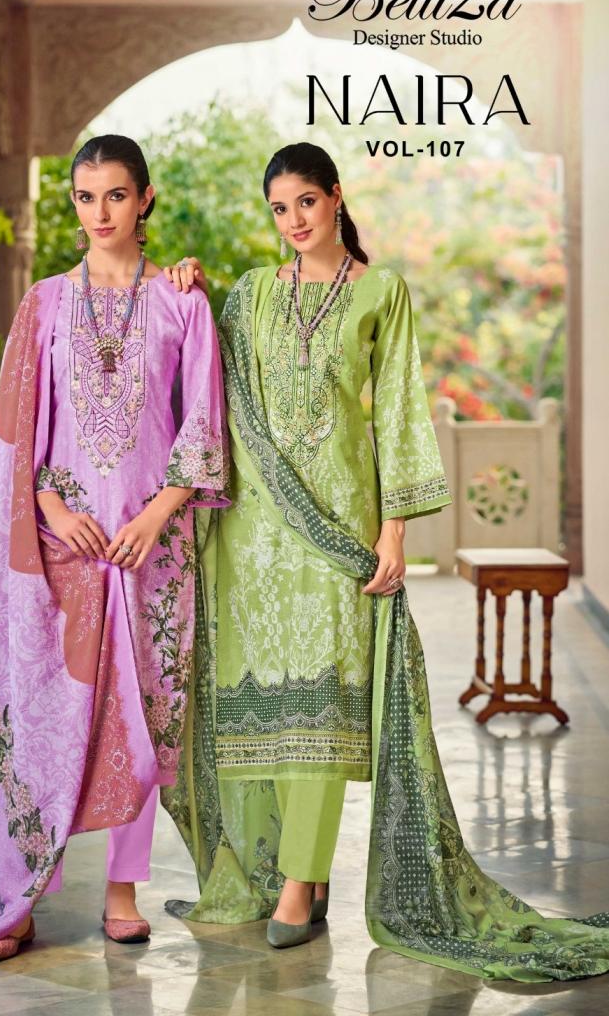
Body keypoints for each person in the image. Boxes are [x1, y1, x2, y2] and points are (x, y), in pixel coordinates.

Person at [161, 142, 609, 980]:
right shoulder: (250, 293)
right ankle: (282, 873)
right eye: (278, 209)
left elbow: (399, 408)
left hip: (338, 526)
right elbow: (208, 382)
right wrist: (182, 287)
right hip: (254, 532)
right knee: (269, 707)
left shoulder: (380, 290)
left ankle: (301, 882)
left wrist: (393, 531)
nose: (293, 220)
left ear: (335, 197)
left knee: (325, 703)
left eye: (305, 202)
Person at [0, 135, 228, 961]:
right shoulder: (45, 304)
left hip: (149, 549)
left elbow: (202, 421)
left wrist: (158, 513)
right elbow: (19, 430)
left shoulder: (182, 303)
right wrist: (52, 507)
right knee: (40, 720)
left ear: (145, 198)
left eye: (116, 195)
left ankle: (122, 891)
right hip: (58, 546)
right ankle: (16, 893)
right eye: (86, 197)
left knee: (140, 718)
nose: (100, 212)